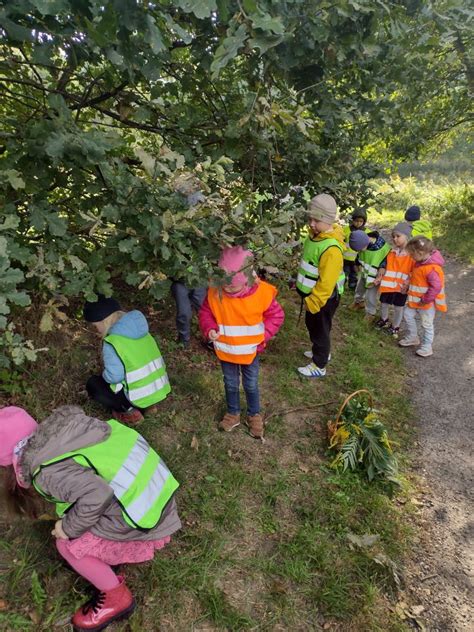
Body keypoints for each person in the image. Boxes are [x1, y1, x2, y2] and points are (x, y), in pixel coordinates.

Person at [0, 405, 181, 631]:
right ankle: (107, 557)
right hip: (155, 495)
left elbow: (97, 495)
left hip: (141, 513)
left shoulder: (47, 473)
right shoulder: (66, 432)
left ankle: (116, 599)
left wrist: (67, 528)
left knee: (68, 545)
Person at [199, 246, 284, 439]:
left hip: (250, 351)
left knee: (251, 384)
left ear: (246, 279)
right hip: (226, 349)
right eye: (224, 284)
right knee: (230, 383)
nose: (227, 289)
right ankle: (233, 412)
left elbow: (276, 316)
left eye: (233, 286)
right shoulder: (215, 291)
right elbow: (206, 312)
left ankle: (254, 414)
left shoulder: (261, 294)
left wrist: (263, 335)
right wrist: (209, 328)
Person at [84, 296, 170, 424]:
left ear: (103, 321)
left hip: (137, 395)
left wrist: (104, 375)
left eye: (95, 326)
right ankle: (150, 407)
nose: (96, 330)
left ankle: (129, 411)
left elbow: (114, 377)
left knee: (94, 385)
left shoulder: (113, 342)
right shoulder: (143, 331)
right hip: (158, 388)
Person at [295, 193, 345, 378]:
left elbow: (326, 282)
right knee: (315, 327)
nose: (311, 224)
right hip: (312, 297)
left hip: (322, 299)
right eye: (310, 219)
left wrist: (314, 301)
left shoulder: (331, 249)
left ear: (328, 220)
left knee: (320, 330)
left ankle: (319, 364)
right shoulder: (315, 237)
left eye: (316, 220)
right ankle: (321, 351)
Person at [399, 236, 447, 357]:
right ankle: (413, 337)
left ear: (420, 253)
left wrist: (425, 300)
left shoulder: (432, 269)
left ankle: (427, 347)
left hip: (426, 303)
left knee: (427, 324)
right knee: (407, 315)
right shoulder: (419, 263)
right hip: (414, 300)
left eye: (412, 254)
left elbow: (436, 287)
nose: (411, 257)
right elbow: (416, 277)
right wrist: (408, 284)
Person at [376, 222, 415, 338]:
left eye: (398, 236)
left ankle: (395, 326)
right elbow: (384, 262)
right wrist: (382, 267)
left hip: (401, 286)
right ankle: (384, 319)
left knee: (398, 307)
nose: (395, 239)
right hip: (388, 284)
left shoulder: (412, 255)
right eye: (393, 236)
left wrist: (409, 282)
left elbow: (414, 270)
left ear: (406, 237)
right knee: (384, 303)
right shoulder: (392, 252)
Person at [349, 229, 391, 321]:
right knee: (359, 288)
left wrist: (383, 267)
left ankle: (370, 313)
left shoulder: (382, 247)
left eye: (359, 249)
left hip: (374, 276)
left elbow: (387, 257)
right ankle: (358, 302)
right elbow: (359, 256)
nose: (359, 251)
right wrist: (357, 263)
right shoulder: (363, 244)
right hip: (365, 272)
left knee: (370, 295)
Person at [171, 282, 207, 348]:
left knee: (205, 310)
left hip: (199, 279)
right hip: (180, 281)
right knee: (184, 313)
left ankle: (210, 336)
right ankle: (184, 341)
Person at [342, 207, 368, 289]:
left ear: (364, 222)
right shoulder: (346, 230)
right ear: (352, 220)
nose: (358, 223)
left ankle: (352, 285)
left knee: (354, 273)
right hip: (345, 257)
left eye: (361, 221)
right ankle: (341, 284)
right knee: (344, 272)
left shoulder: (366, 232)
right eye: (356, 221)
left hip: (357, 259)